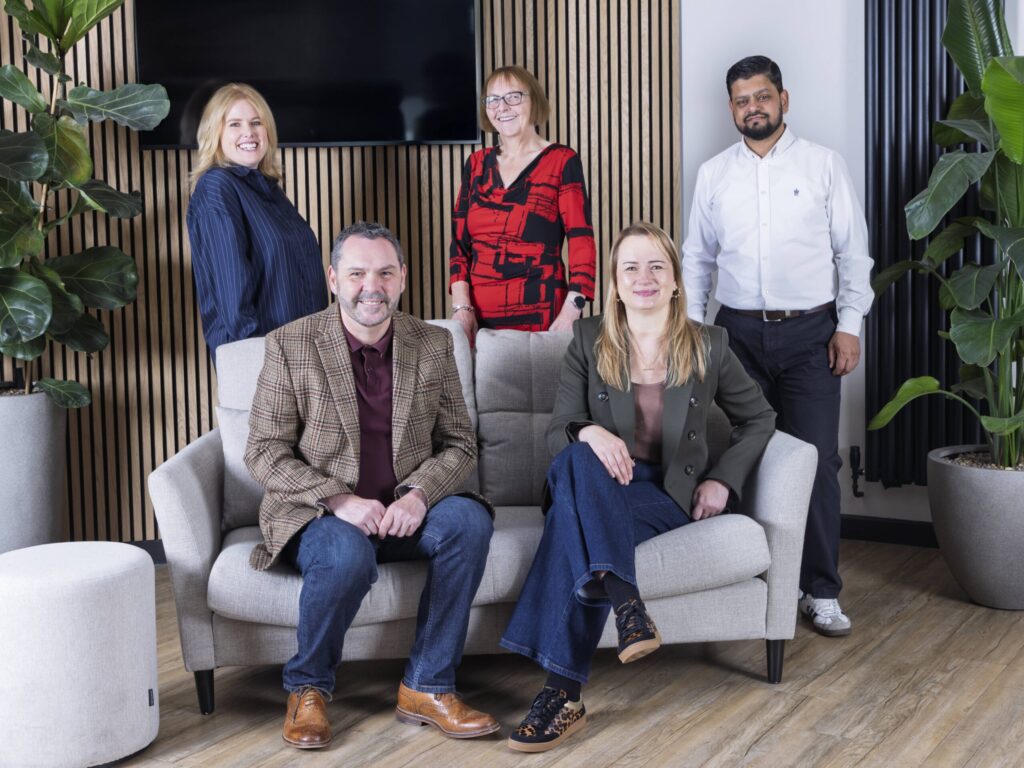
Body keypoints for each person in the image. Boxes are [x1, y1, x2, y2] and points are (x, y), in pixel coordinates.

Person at [500, 222, 775, 752]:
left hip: (661, 494)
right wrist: (592, 430)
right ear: (615, 282)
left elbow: (759, 418)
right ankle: (628, 604)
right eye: (631, 267)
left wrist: (722, 479)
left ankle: (561, 696)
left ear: (675, 280)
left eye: (656, 266)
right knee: (579, 458)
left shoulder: (710, 345)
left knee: (569, 522)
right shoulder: (587, 339)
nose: (643, 277)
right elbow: (559, 431)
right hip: (593, 478)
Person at [244, 221, 497, 749]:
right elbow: (263, 452)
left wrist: (419, 493)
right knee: (346, 555)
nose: (371, 286)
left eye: (384, 273)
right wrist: (338, 500)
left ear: (402, 278)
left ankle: (426, 686)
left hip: (405, 512)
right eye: (357, 273)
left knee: (469, 521)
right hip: (322, 516)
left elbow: (460, 444)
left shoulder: (433, 344)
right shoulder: (290, 345)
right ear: (334, 278)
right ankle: (308, 688)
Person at [681, 55, 873, 638]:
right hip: (734, 334)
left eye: (762, 97)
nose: (752, 108)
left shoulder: (823, 166)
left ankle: (819, 589)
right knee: (745, 453)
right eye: (741, 100)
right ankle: (754, 579)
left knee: (815, 459)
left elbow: (853, 253)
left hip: (812, 333)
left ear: (783, 100)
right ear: (732, 108)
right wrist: (691, 331)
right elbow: (697, 259)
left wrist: (850, 325)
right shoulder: (714, 174)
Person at [449, 65, 597, 342]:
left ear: (535, 101)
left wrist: (571, 312)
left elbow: (581, 240)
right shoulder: (477, 165)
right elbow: (459, 246)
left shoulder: (562, 160)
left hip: (546, 319)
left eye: (514, 97)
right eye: (493, 99)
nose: (502, 107)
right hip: (480, 322)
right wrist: (462, 308)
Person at [187, 83, 327, 361]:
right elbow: (231, 291)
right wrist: (256, 359)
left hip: (302, 353)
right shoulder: (218, 187)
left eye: (256, 122)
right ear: (215, 132)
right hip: (261, 359)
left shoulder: (269, 190)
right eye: (234, 124)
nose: (248, 133)